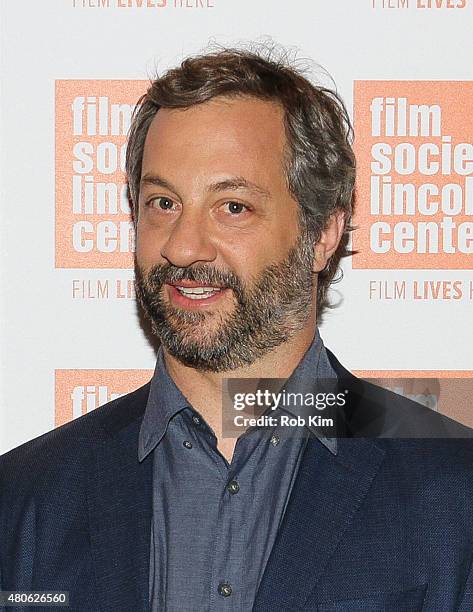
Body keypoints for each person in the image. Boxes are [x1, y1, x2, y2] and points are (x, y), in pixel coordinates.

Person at [1, 46, 473, 612]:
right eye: (163, 202)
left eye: (232, 207)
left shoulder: (453, 491)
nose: (182, 246)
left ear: (322, 233)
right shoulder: (25, 498)